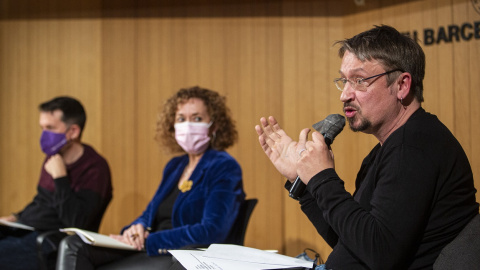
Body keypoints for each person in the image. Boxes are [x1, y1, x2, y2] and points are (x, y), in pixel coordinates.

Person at [255, 25, 479, 269]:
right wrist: (305, 184)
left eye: (359, 80)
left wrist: (322, 178)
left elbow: (379, 254)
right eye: (344, 81)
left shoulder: (414, 147)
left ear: (402, 85)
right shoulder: (389, 148)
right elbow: (350, 241)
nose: (345, 95)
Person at [56, 86, 245, 270]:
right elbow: (150, 214)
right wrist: (135, 228)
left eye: (197, 118)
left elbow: (213, 230)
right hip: (151, 247)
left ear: (214, 125)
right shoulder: (175, 166)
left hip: (182, 254)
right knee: (73, 245)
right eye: (181, 118)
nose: (188, 125)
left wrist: (150, 240)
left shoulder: (224, 166)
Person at [0, 96, 113, 270]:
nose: (44, 134)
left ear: (73, 131)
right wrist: (16, 217)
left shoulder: (95, 168)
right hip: (27, 230)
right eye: (42, 128)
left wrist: (60, 178)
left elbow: (76, 222)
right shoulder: (53, 157)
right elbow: (42, 201)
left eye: (50, 128)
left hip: (51, 243)